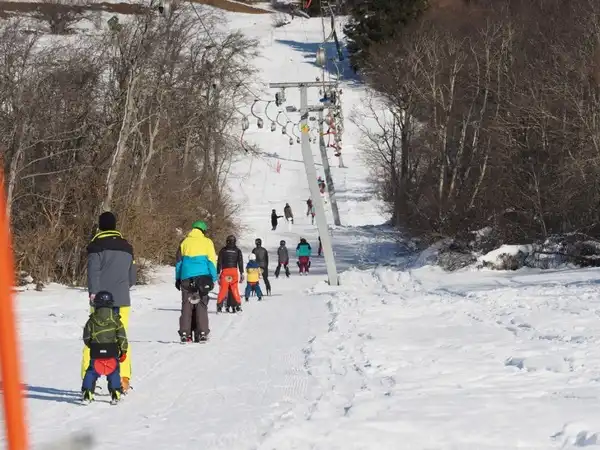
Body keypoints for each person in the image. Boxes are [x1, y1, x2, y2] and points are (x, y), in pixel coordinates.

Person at [84, 211, 136, 394]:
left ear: (100, 226)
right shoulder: (128, 247)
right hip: (122, 299)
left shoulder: (96, 246)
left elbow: (93, 273)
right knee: (121, 337)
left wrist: (94, 294)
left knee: (94, 337)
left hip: (100, 301)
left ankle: (88, 379)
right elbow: (132, 278)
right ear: (115, 226)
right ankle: (123, 379)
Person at [81, 291, 128, 404]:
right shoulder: (116, 320)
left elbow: (86, 336)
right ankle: (115, 392)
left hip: (96, 350)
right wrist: (123, 350)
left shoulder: (91, 320)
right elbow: (122, 336)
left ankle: (87, 392)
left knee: (92, 371)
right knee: (113, 372)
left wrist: (91, 345)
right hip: (112, 350)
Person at [175, 220, 217, 343]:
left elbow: (178, 263)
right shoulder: (207, 242)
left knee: (186, 306)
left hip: (186, 278)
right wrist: (213, 278)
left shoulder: (184, 242)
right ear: (203, 230)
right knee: (201, 306)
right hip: (203, 278)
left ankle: (184, 334)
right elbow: (211, 262)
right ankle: (202, 333)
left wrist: (178, 278)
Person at [216, 235, 244, 313]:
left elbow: (219, 262)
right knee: (234, 288)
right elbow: (240, 262)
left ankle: (219, 306)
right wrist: (242, 273)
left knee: (223, 289)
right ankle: (238, 305)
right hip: (234, 271)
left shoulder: (223, 250)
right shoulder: (238, 250)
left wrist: (218, 273)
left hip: (225, 271)